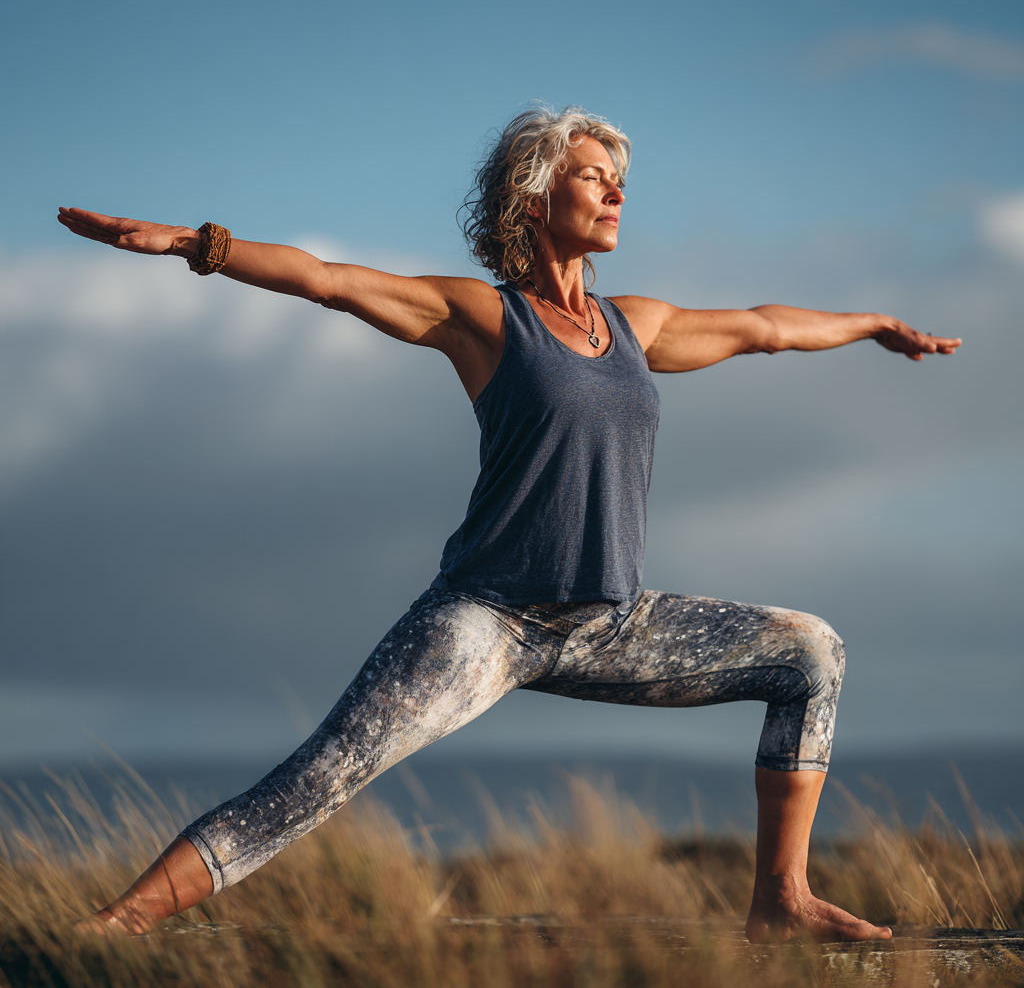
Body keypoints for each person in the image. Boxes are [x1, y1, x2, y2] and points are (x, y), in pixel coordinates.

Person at [59, 106, 959, 943]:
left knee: (810, 653)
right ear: (534, 196)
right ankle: (116, 927)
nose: (615, 191)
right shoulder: (486, 318)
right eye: (593, 175)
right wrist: (198, 245)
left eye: (619, 179)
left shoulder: (635, 327)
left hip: (610, 624)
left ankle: (781, 900)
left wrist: (871, 323)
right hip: (487, 619)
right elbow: (330, 282)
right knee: (320, 776)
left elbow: (764, 327)